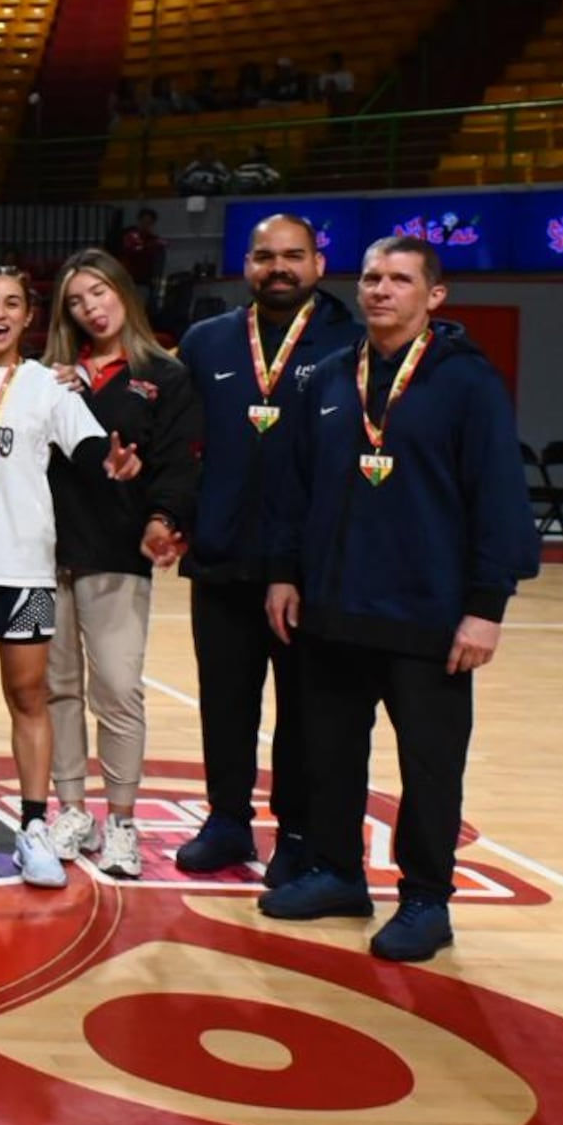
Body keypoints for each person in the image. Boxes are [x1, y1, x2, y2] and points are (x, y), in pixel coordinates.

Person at [259, 237, 540, 961]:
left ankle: (425, 899)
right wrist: (287, 572)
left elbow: (499, 498)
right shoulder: (327, 377)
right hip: (334, 606)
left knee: (430, 765)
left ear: (433, 296)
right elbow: (296, 490)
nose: (382, 290)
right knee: (330, 753)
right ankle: (337, 872)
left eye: (401, 279)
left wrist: (487, 604)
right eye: (374, 278)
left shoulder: (468, 382)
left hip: (430, 614)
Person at [0, 267, 143, 888]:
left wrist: (115, 463)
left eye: (12, 304)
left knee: (28, 699)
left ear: (27, 318)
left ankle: (35, 824)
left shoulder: (47, 386)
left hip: (23, 569)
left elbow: (92, 447)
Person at [171, 211, 361, 880]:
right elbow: (175, 441)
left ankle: (300, 833)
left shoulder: (354, 339)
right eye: (264, 256)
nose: (278, 267)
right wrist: (171, 514)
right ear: (246, 265)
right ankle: (227, 822)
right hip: (221, 556)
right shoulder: (207, 341)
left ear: (318, 263)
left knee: (306, 709)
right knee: (225, 701)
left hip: (312, 569)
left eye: (292, 256)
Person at [41, 251, 202, 879]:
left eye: (99, 292)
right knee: (58, 690)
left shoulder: (164, 374)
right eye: (77, 300)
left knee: (117, 690)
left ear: (123, 294)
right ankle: (73, 809)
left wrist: (161, 520)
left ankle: (124, 822)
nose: (91, 308)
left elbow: (179, 465)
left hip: (118, 552)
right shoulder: (51, 376)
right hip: (49, 553)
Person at [114, 208, 167, 291]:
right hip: (129, 280)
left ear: (152, 224)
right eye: (143, 221)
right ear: (139, 221)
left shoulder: (154, 241)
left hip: (145, 281)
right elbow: (133, 250)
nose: (145, 225)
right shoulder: (130, 237)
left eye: (148, 223)